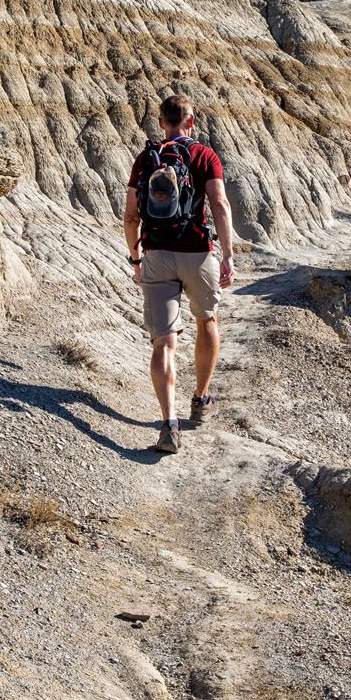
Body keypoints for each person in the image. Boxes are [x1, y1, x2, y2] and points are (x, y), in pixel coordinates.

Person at [122, 94, 234, 454]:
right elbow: (219, 204)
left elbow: (130, 216)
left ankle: (169, 425)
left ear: (161, 122)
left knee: (164, 341)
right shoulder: (204, 155)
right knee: (207, 321)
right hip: (198, 253)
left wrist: (137, 259)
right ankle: (201, 399)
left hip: (156, 254)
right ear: (191, 122)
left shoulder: (146, 158)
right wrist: (228, 255)